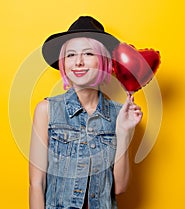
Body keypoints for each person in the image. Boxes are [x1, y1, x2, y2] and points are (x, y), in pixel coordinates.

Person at [29, 16, 143, 209]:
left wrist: (123, 132)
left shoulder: (119, 114)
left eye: (88, 54)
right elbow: (36, 184)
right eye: (71, 55)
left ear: (103, 61)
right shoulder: (47, 110)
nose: (78, 62)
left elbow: (120, 188)